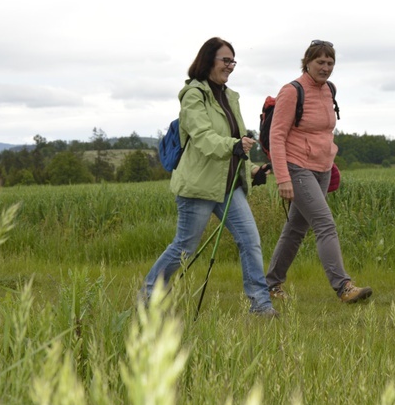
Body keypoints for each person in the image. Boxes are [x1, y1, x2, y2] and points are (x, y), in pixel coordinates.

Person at [142, 37, 278, 317]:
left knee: (250, 241)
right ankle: (148, 294)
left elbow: (239, 142)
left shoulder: (231, 97)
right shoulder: (194, 94)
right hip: (198, 186)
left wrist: (252, 171)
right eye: (225, 60)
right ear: (208, 60)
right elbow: (204, 138)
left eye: (233, 61)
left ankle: (261, 306)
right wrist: (234, 146)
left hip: (229, 188)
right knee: (185, 247)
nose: (230, 66)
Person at [266, 40, 373, 304]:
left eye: (330, 63)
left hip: (322, 169)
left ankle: (270, 284)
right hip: (296, 167)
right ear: (307, 62)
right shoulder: (292, 91)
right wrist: (283, 178)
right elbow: (276, 137)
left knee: (295, 229)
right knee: (325, 224)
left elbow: (325, 130)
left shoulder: (330, 90)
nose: (325, 68)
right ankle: (343, 286)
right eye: (320, 62)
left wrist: (329, 160)